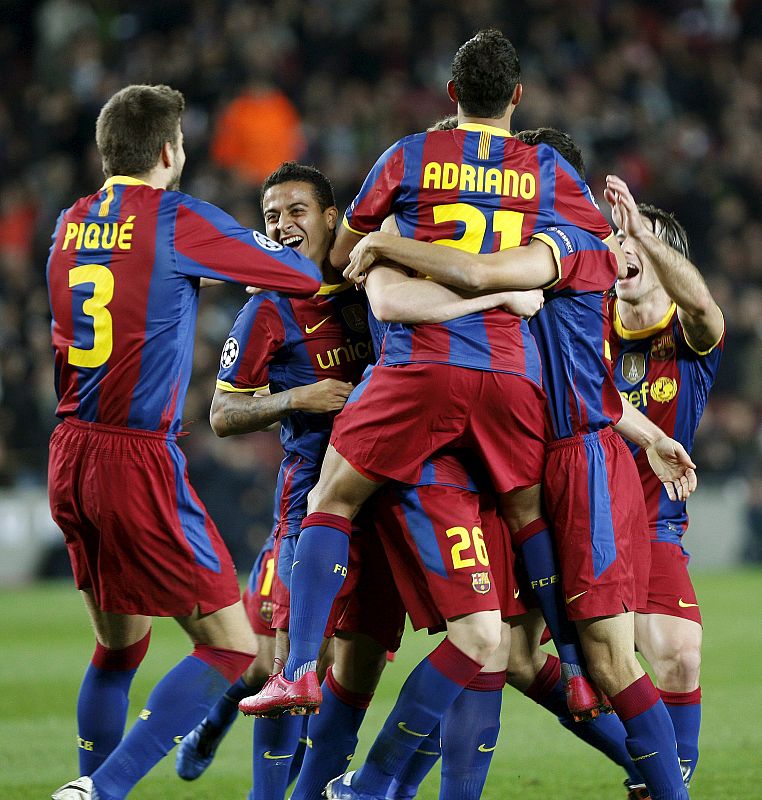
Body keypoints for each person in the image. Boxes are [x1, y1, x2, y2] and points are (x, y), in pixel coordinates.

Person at [337, 128, 696, 800]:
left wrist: (385, 240)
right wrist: (649, 432)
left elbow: (478, 275)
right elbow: (588, 372)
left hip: (577, 461)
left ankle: (668, 785)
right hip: (516, 454)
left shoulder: (563, 246)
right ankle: (399, 787)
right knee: (501, 647)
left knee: (610, 658)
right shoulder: (533, 242)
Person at [46, 84, 322, 800]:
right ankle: (101, 790)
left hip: (70, 447)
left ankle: (89, 783)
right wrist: (272, 245)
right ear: (169, 152)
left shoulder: (70, 223)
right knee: (233, 647)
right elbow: (298, 276)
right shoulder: (175, 217)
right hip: (135, 457)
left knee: (119, 646)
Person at [606, 174, 724, 791]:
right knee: (505, 656)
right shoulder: (586, 322)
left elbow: (705, 309)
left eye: (636, 243)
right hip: (578, 517)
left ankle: (662, 779)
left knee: (679, 655)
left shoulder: (687, 337)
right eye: (616, 240)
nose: (621, 249)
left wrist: (644, 234)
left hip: (654, 524)